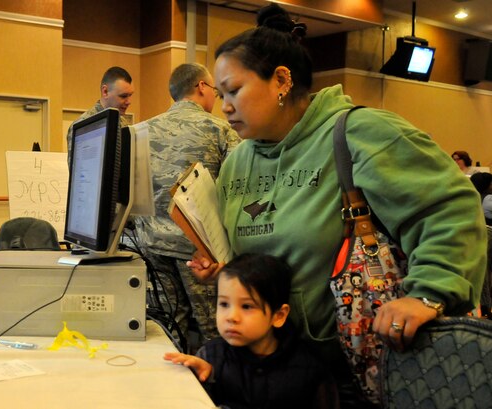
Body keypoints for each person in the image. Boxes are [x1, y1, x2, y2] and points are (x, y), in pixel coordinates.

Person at [187, 4, 485, 407]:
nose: (224, 106)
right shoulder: (239, 159)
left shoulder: (361, 132)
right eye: (220, 94)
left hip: (360, 370)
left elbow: (448, 211)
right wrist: (223, 271)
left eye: (234, 90)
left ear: (281, 80)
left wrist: (429, 293)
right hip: (277, 371)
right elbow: (255, 256)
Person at [130, 62, 240, 352]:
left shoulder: (138, 131)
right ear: (202, 86)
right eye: (215, 91)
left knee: (167, 326)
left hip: (151, 246)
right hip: (199, 252)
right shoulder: (221, 130)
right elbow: (238, 190)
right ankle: (211, 390)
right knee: (214, 331)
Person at [165, 254, 338, 409]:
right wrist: (201, 383)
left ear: (278, 315)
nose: (231, 317)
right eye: (224, 304)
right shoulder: (211, 357)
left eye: (247, 306)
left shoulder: (309, 367)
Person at [66, 66, 135, 158]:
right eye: (123, 96)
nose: (128, 101)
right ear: (105, 91)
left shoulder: (124, 124)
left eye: (130, 95)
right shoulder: (83, 126)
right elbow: (79, 169)